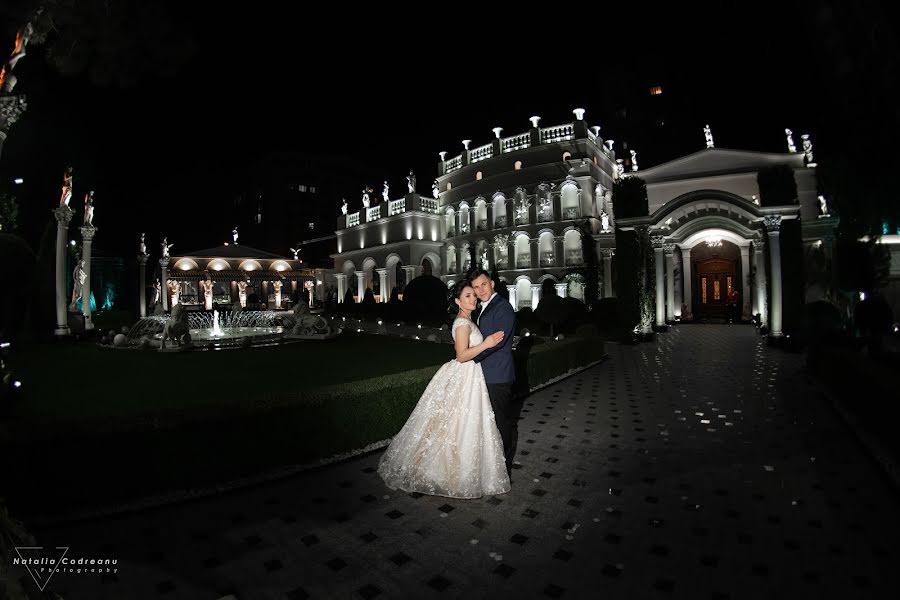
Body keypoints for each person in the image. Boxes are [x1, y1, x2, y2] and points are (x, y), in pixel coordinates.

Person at [378, 279, 511, 498]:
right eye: (467, 295)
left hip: (471, 376)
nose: (473, 298)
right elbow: (461, 356)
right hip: (464, 374)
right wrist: (486, 344)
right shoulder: (461, 323)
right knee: (454, 424)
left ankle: (458, 471)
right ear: (458, 301)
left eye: (474, 295)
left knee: (461, 425)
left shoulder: (469, 319)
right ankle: (442, 471)